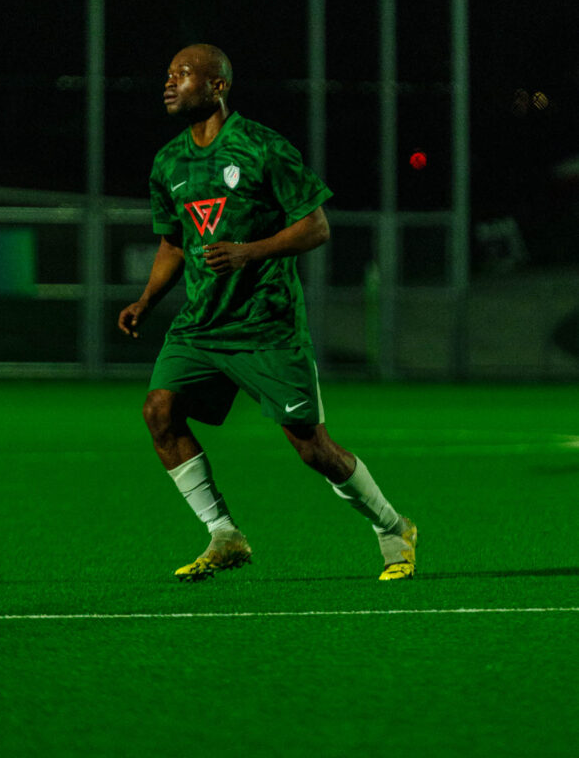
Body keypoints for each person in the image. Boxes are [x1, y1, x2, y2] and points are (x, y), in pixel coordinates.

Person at [118, 43, 417, 582]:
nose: (169, 83)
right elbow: (173, 243)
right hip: (201, 326)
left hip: (266, 325)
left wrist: (249, 252)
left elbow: (316, 227)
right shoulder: (168, 162)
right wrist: (146, 301)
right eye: (168, 74)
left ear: (217, 86)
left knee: (313, 449)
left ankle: (393, 527)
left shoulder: (262, 147)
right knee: (159, 411)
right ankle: (224, 534)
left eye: (182, 74)